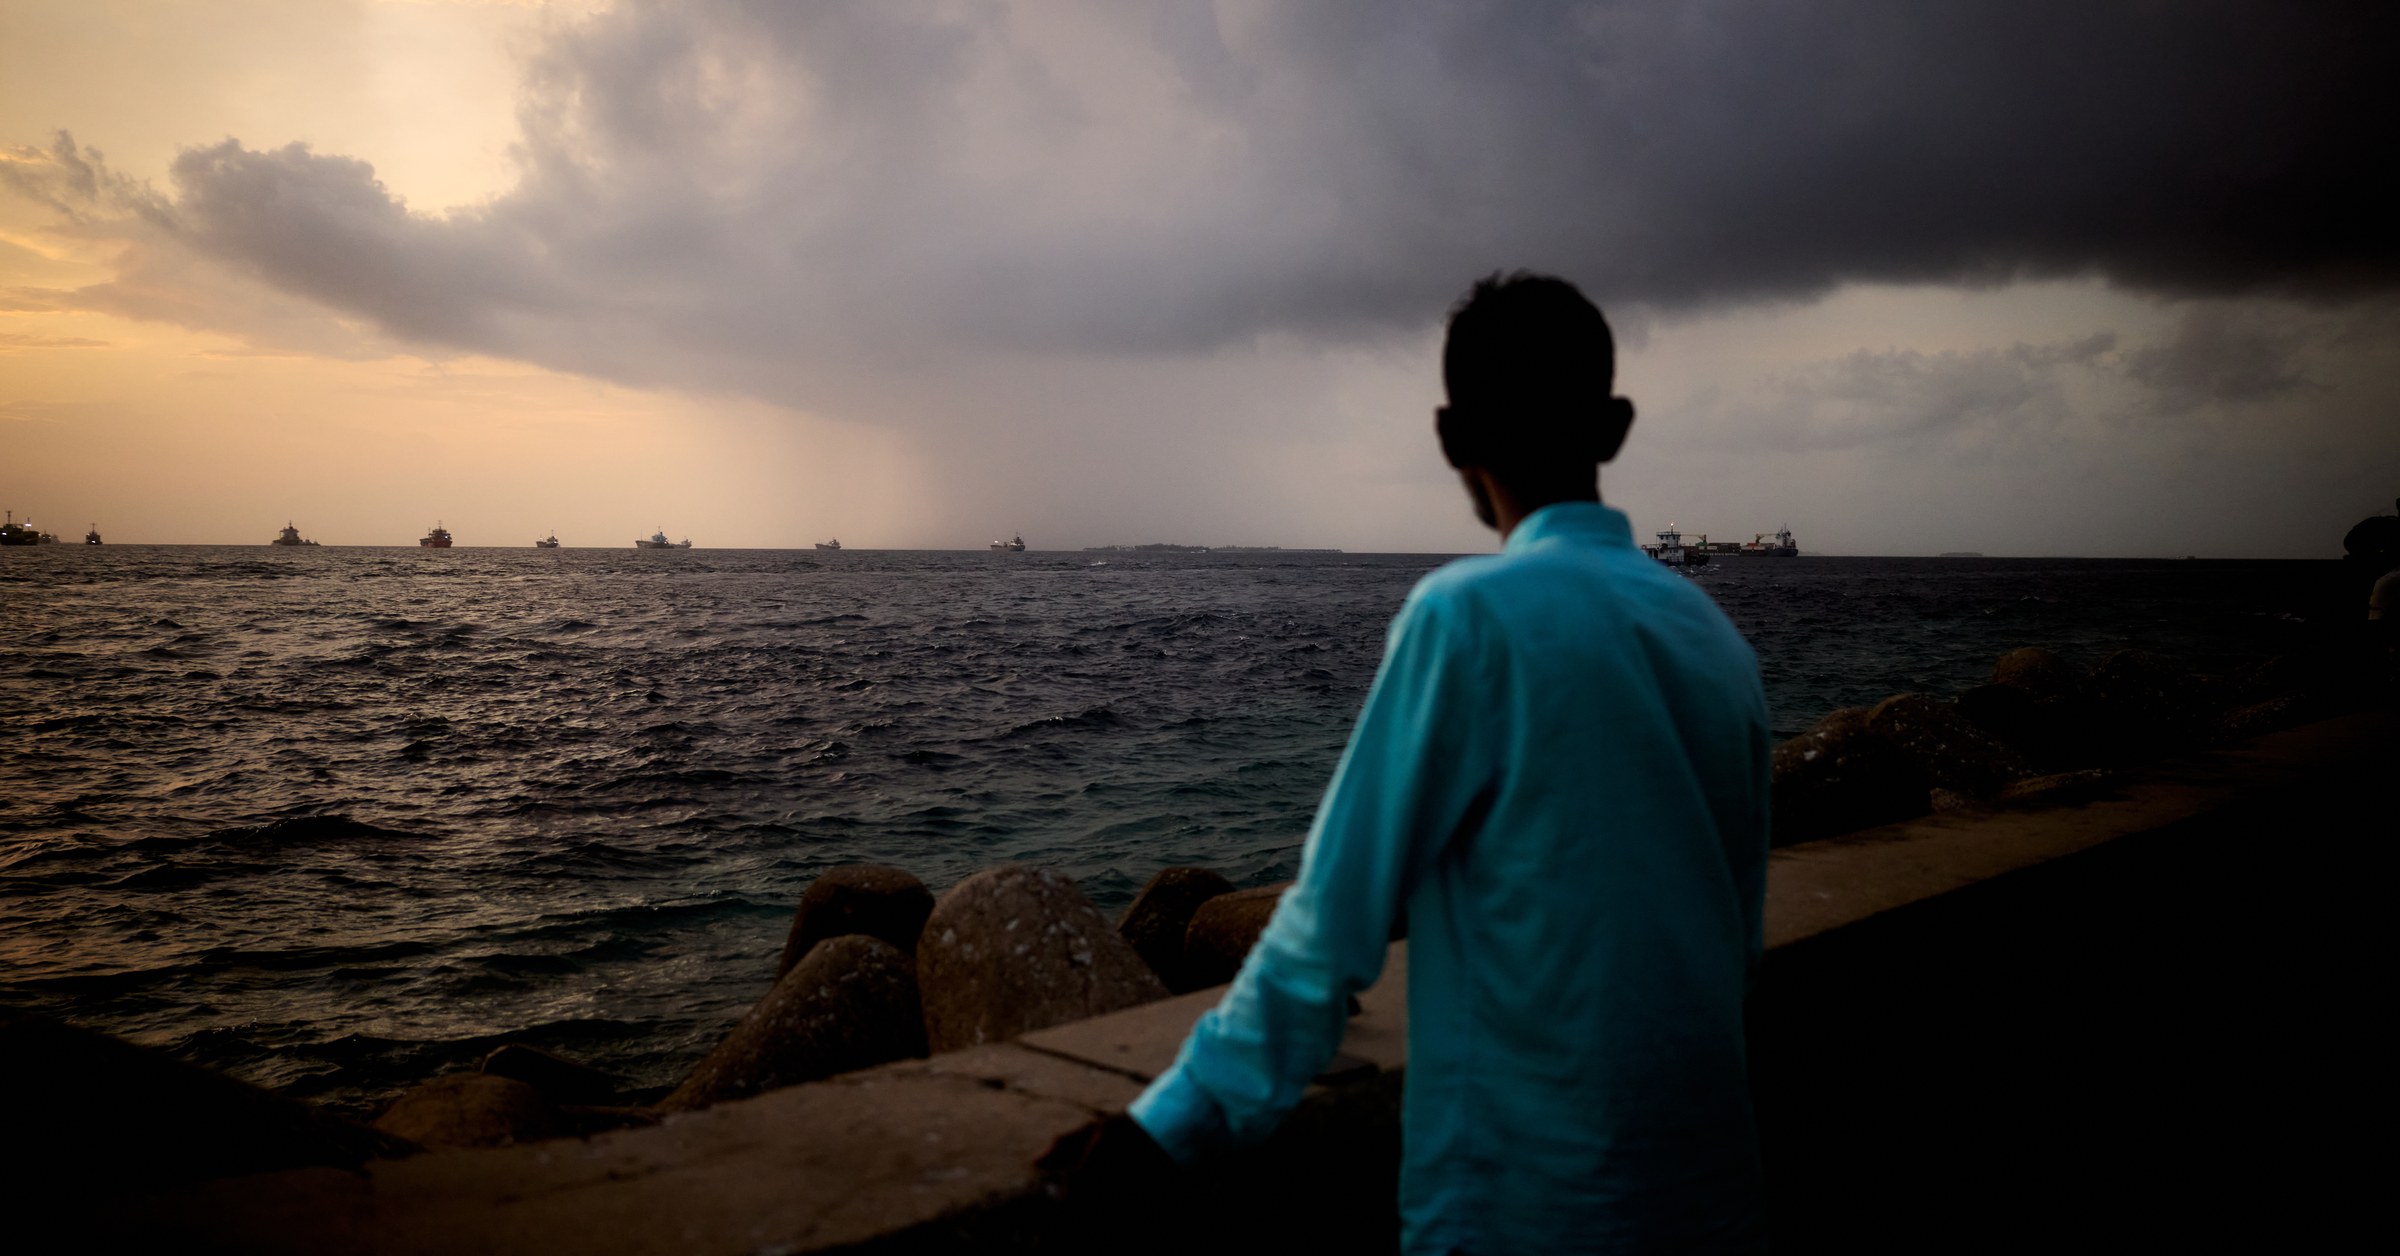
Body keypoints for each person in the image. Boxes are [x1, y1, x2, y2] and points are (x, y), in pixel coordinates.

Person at [1053, 272, 1773, 1252]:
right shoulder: (1714, 640)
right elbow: (1733, 940)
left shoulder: (1466, 618)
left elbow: (1326, 933)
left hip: (1521, 1212)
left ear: (1449, 437)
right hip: (1713, 1195)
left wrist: (1165, 1128)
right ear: (1615, 425)